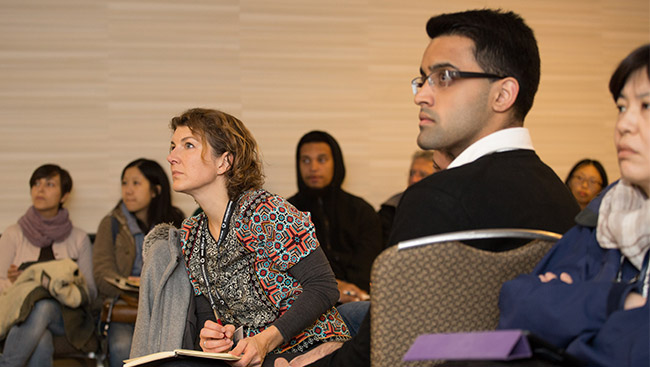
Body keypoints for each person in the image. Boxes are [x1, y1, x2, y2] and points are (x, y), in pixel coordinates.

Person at [274, 8, 580, 367]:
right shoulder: (563, 199)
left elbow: (390, 353)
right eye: (422, 79)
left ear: (503, 94)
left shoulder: (436, 199)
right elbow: (499, 336)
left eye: (445, 76)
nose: (421, 95)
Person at [130, 108, 350, 367]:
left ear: (224, 162)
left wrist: (265, 341)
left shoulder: (266, 211)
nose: (171, 157)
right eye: (173, 146)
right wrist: (211, 337)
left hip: (306, 343)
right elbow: (205, 312)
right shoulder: (191, 233)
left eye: (188, 145)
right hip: (250, 355)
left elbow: (324, 287)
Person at [498, 44, 649, 367]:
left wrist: (571, 313)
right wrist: (618, 301)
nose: (624, 124)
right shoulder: (608, 210)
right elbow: (517, 303)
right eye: (622, 108)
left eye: (646, 105)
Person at [0, 164, 97, 367]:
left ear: (64, 196)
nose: (40, 189)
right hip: (19, 311)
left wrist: (66, 283)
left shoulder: (79, 239)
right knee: (40, 337)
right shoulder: (12, 234)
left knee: (42, 307)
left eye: (49, 184)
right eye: (36, 184)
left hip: (66, 317)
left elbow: (90, 292)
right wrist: (17, 283)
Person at [93, 158, 185, 367]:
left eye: (136, 183)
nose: (128, 190)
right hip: (125, 309)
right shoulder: (111, 223)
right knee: (122, 349)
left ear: (155, 190)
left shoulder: (177, 222)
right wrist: (134, 285)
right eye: (124, 183)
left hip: (163, 310)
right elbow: (101, 275)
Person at [288, 131, 382, 303]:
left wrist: (349, 291)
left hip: (359, 300)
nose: (313, 167)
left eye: (322, 159)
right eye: (306, 160)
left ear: (336, 163)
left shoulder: (361, 211)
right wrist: (333, 288)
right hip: (308, 303)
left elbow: (370, 265)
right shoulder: (287, 213)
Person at [377, 150, 451, 248]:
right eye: (412, 173)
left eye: (422, 174)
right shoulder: (391, 208)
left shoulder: (448, 208)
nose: (414, 179)